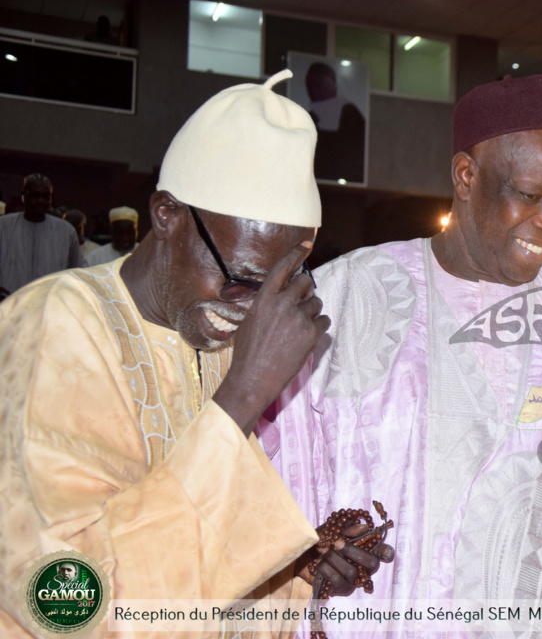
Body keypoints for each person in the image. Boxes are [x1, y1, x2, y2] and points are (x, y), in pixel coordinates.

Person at [0, 70, 387, 638]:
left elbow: (211, 561)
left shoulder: (213, 337)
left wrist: (297, 569)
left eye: (277, 288)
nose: (250, 311)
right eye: (242, 279)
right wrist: (242, 397)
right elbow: (67, 607)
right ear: (167, 215)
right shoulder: (53, 324)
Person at [269, 75, 542, 636]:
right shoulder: (349, 295)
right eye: (528, 194)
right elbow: (276, 475)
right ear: (466, 176)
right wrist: (306, 552)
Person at [0, 174, 82, 298]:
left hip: (49, 306)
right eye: (35, 196)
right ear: (24, 196)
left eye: (45, 197)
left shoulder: (65, 231)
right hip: (9, 305)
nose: (40, 201)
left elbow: (77, 271)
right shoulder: (3, 226)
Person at [305, 62, 365, 184]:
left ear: (334, 86)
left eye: (323, 86)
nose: (317, 92)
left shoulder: (349, 113)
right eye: (312, 87)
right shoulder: (310, 118)